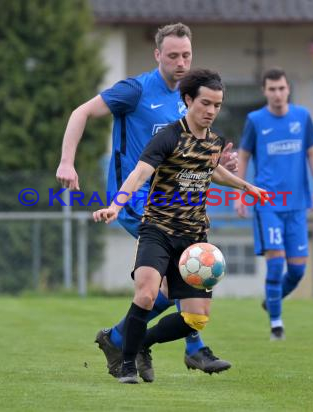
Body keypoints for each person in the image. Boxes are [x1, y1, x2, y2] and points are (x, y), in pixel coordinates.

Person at [56, 23, 238, 382]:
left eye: (186, 55)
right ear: (158, 55)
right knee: (177, 276)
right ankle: (189, 348)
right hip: (137, 200)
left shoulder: (190, 97)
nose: (181, 62)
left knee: (170, 286)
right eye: (172, 56)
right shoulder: (135, 91)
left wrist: (217, 165)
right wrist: (66, 161)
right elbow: (80, 113)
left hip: (175, 201)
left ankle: (122, 338)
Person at [93, 69, 268, 383]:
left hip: (194, 242)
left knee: (196, 318)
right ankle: (128, 366)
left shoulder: (214, 141)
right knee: (146, 295)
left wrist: (245, 186)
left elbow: (212, 170)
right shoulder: (167, 136)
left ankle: (139, 342)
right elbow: (138, 174)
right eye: (205, 103)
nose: (211, 111)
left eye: (217, 105)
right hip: (157, 230)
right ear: (188, 100)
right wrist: (115, 205)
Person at [234, 67, 313, 341]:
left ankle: (270, 300)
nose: (277, 94)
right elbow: (243, 156)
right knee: (276, 265)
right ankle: (276, 324)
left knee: (297, 270)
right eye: (272, 89)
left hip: (297, 204)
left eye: (281, 88)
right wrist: (240, 192)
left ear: (288, 89)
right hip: (268, 203)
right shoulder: (255, 120)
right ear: (264, 91)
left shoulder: (302, 117)